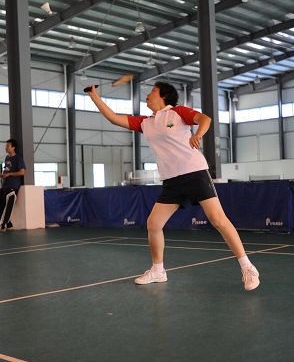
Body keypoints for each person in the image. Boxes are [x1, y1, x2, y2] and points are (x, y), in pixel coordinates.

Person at [86, 82, 260, 291]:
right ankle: (158, 271)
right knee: (153, 224)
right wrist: (94, 96)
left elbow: (205, 119)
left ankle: (248, 267)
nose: (148, 94)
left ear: (164, 96)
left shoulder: (177, 113)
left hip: (194, 172)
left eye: (153, 91)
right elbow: (114, 118)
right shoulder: (145, 123)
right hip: (171, 180)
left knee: (218, 219)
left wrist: (198, 135)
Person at [0, 138, 25, 233]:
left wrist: (10, 174)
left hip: (13, 186)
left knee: (8, 207)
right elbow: (6, 169)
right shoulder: (7, 158)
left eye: (8, 146)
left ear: (13, 147)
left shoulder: (18, 158)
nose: (6, 147)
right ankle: (9, 224)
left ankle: (2, 226)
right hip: (4, 185)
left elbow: (22, 172)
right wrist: (3, 174)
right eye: (6, 146)